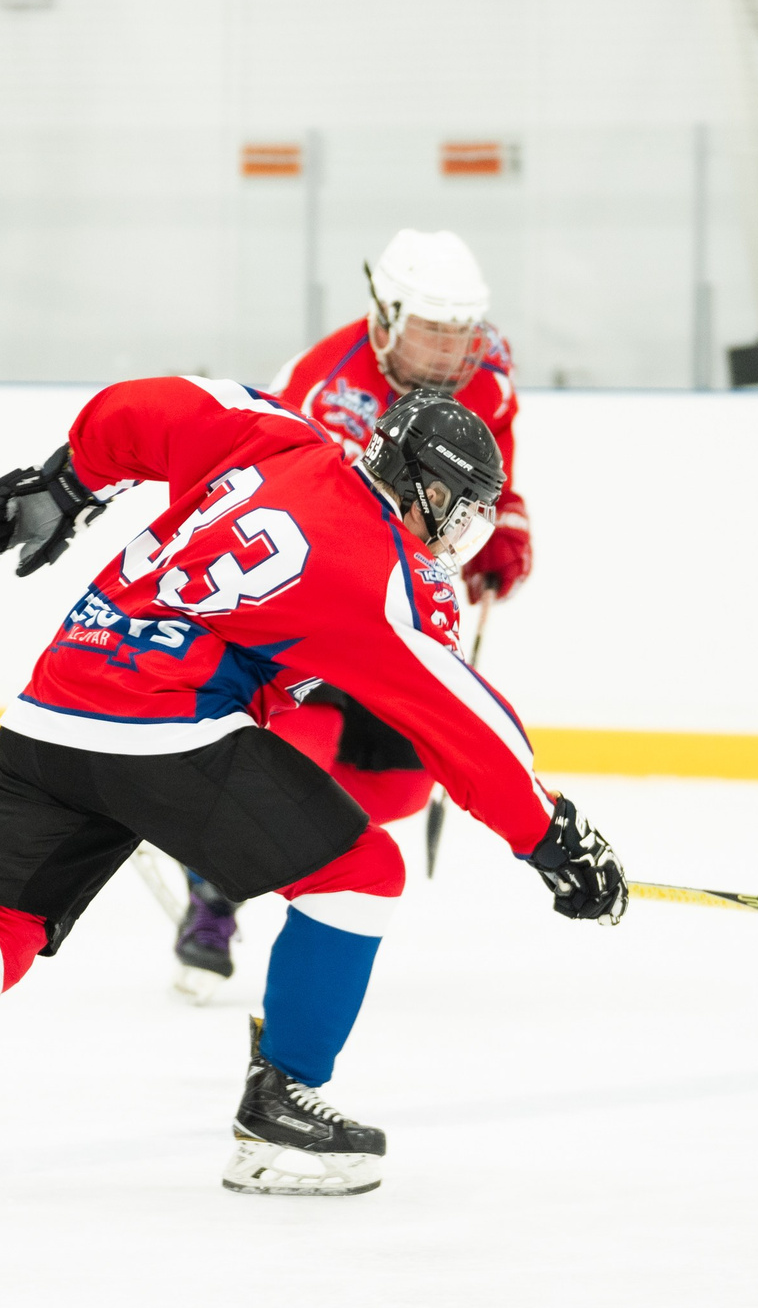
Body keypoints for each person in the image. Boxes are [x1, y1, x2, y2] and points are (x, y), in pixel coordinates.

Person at [0, 376, 626, 1196]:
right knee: (362, 873)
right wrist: (550, 835)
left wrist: (71, 478)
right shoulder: (385, 573)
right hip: (168, 727)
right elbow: (460, 719)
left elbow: (153, 407)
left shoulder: (285, 436)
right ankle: (281, 1110)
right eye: (455, 510)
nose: (456, 536)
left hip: (52, 706)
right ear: (417, 481)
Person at [166, 228, 534, 999]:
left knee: (395, 787)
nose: (451, 351)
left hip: (410, 601)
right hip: (322, 597)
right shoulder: (322, 387)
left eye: (462, 331)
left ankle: (235, 831)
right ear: (388, 313)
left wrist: (499, 527)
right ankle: (214, 889)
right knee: (304, 742)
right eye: (435, 330)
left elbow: (491, 460)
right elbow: (271, 493)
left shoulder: (490, 375)